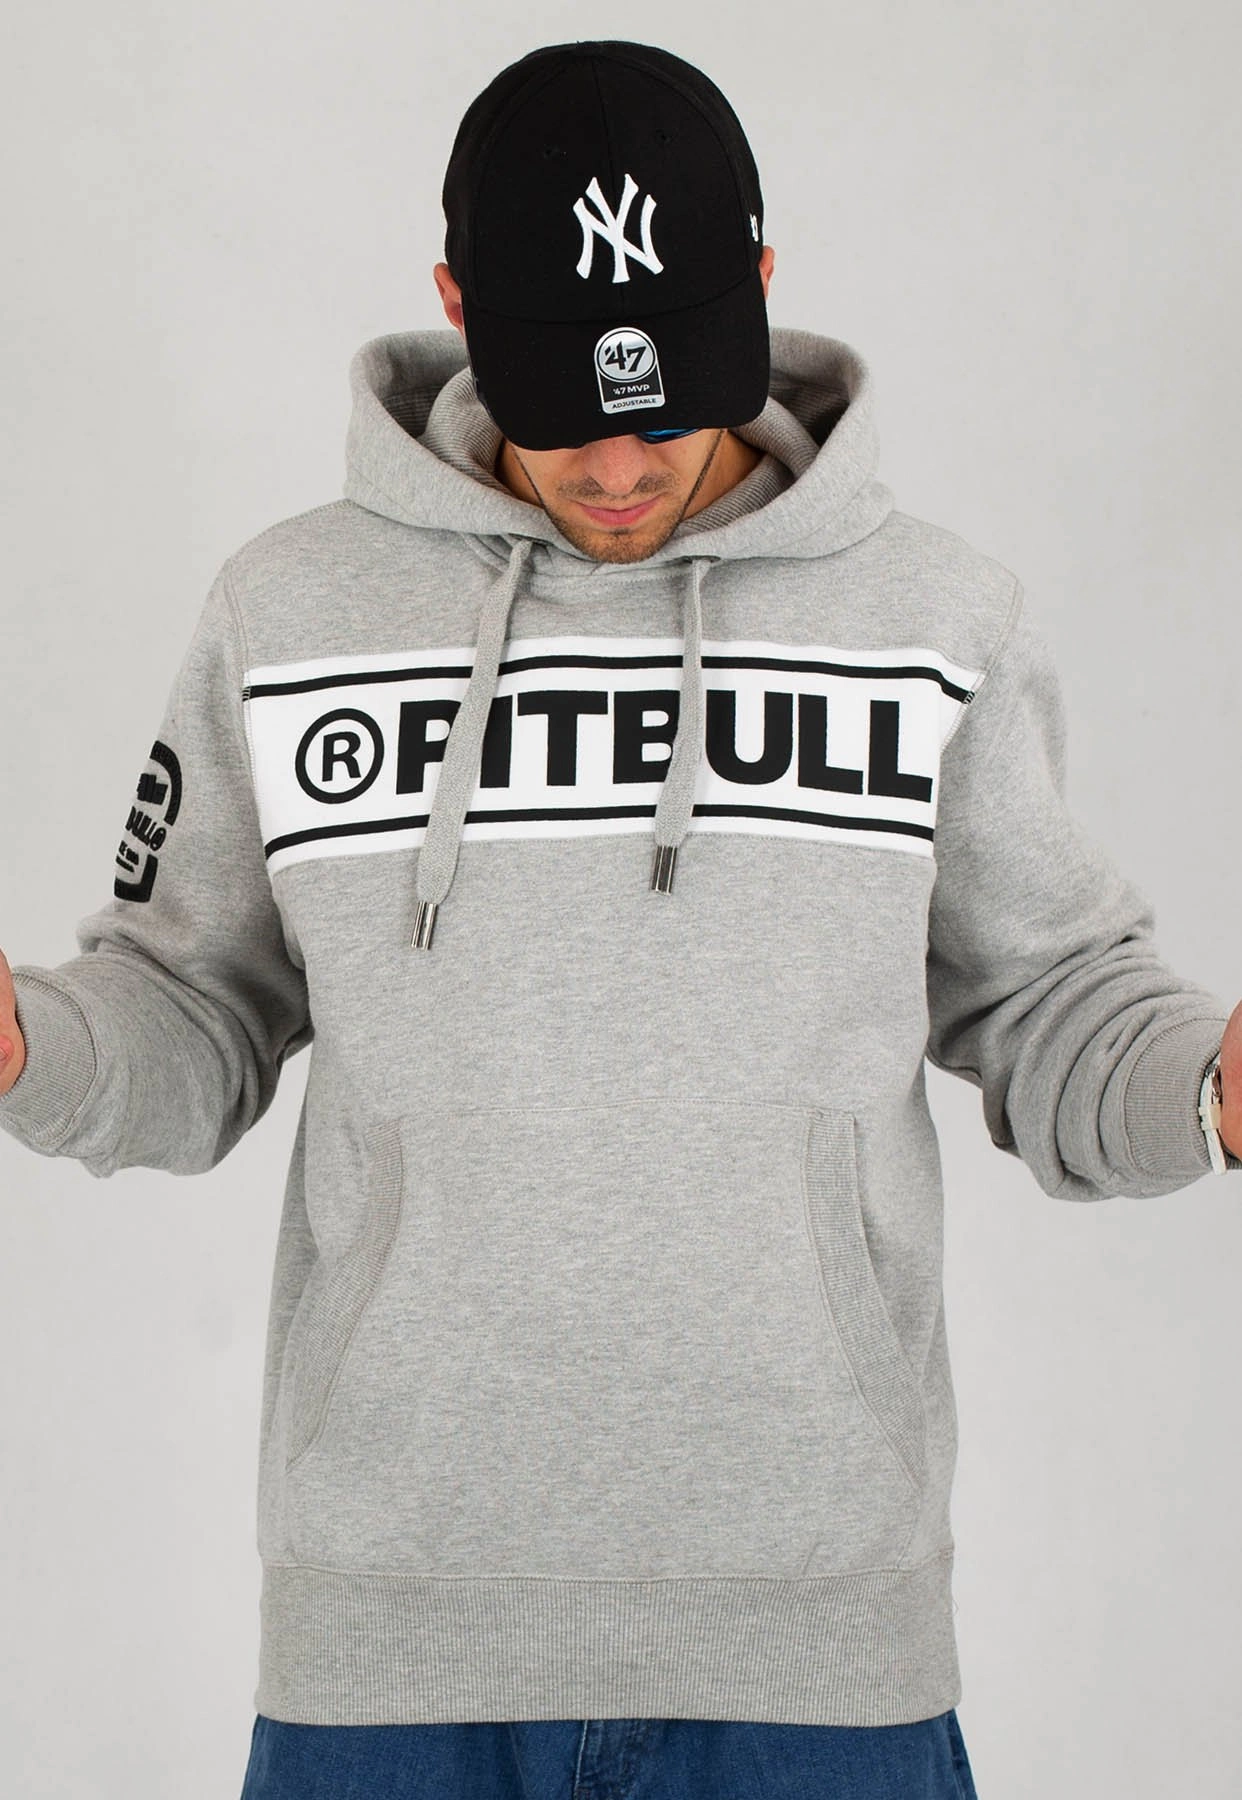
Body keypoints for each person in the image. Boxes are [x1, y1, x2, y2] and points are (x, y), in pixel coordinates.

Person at [1, 36, 1239, 1800]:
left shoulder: (931, 618)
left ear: (756, 288)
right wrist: (30, 1043)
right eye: (563, 405)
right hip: (390, 1650)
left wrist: (1204, 1086)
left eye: (664, 402)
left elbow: (1053, 1003)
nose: (615, 461)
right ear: (456, 308)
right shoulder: (290, 612)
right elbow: (186, 1017)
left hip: (817, 1653)